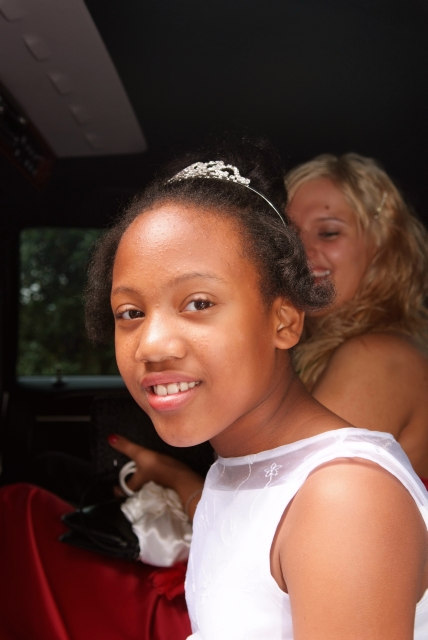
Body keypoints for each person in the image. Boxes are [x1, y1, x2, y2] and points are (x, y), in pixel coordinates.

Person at [1, 139, 427, 639]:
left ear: (284, 320)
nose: (152, 345)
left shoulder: (341, 497)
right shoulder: (237, 469)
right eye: (130, 313)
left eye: (199, 303)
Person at [284, 152, 428, 483]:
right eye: (290, 236)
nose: (300, 252)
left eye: (328, 233)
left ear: (383, 245)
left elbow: (288, 504)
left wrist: (175, 476)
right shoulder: (311, 350)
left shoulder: (376, 357)